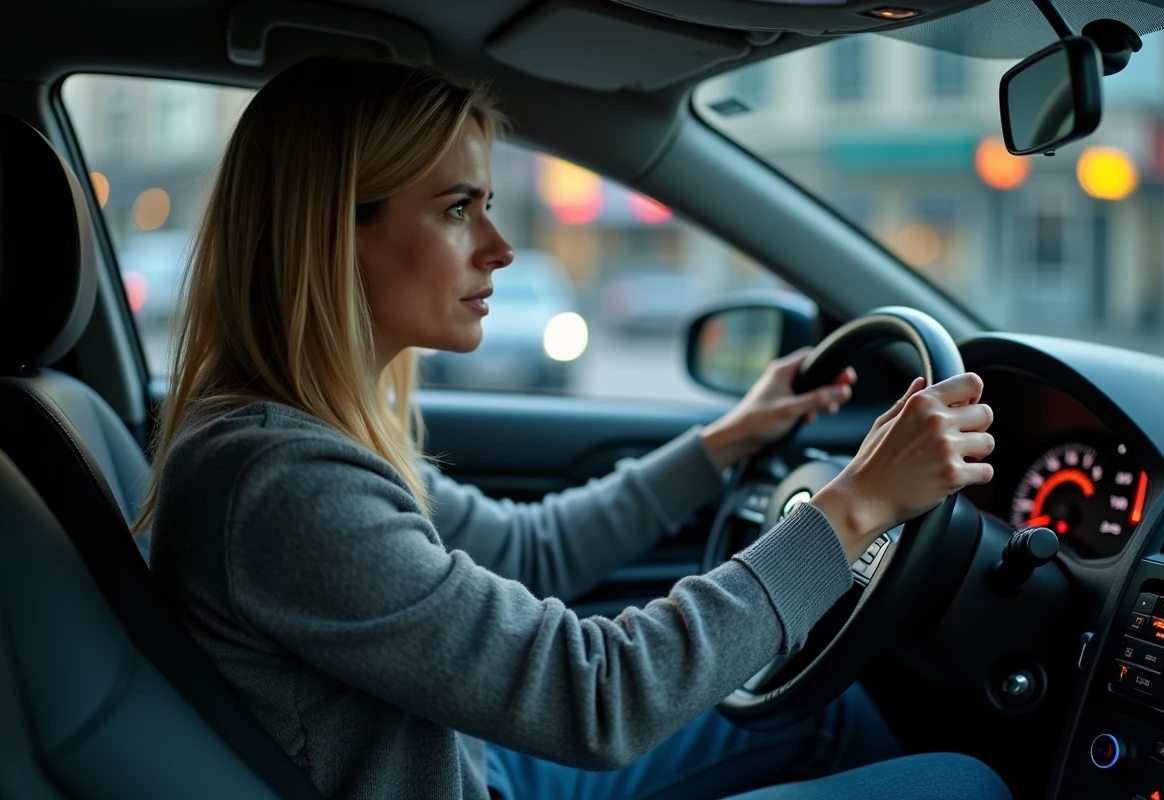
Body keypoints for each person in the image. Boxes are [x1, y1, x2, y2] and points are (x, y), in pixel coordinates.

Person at [138, 55, 1009, 800]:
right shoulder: (285, 484)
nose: (499, 247)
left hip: (480, 763)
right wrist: (852, 509)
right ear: (332, 234)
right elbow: (599, 699)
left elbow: (526, 553)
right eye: (455, 208)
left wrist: (723, 443)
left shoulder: (309, 434)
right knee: (967, 787)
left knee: (833, 714)